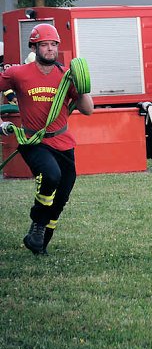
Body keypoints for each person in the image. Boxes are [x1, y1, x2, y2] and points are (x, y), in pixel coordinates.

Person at [0, 24, 94, 255]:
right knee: (51, 175)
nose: (50, 49)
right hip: (33, 142)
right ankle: (37, 224)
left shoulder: (65, 76)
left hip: (63, 142)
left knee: (61, 197)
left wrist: (81, 84)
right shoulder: (18, 73)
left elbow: (88, 109)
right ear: (34, 46)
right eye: (44, 44)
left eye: (53, 44)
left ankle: (40, 244)